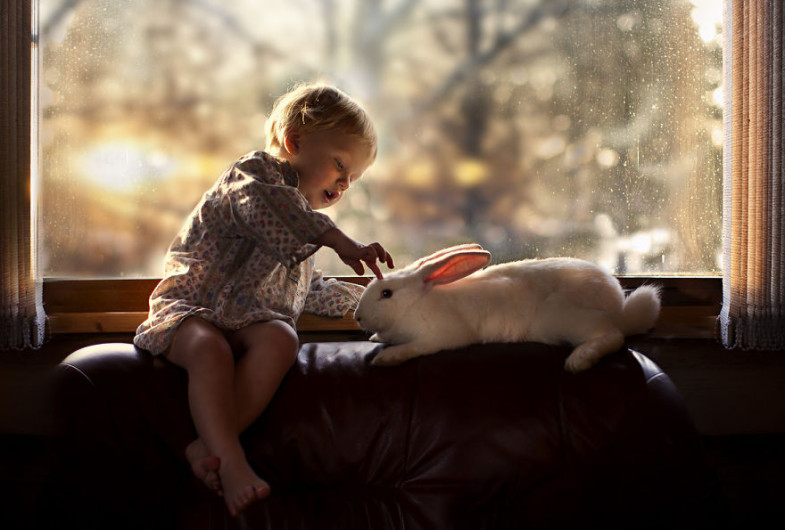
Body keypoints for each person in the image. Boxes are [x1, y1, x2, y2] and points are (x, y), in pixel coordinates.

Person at [134, 83, 394, 517]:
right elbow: (271, 208)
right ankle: (232, 461)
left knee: (281, 337)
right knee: (208, 348)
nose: (344, 183)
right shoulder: (253, 176)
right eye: (339, 165)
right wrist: (338, 239)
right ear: (294, 142)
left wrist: (381, 297)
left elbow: (314, 292)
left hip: (248, 323)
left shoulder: (305, 233)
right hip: (190, 311)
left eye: (353, 178)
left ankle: (206, 447)